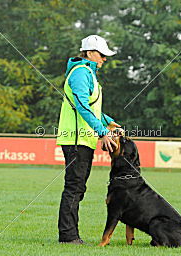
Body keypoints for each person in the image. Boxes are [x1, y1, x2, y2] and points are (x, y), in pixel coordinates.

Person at [56, 35, 120, 244]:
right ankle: (68, 236)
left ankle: (69, 234)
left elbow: (92, 107)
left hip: (83, 140)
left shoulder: (88, 73)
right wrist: (101, 132)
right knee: (74, 187)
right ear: (91, 53)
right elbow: (82, 106)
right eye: (102, 55)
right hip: (76, 140)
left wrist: (107, 122)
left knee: (77, 187)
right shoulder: (81, 73)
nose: (104, 59)